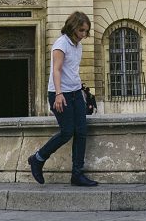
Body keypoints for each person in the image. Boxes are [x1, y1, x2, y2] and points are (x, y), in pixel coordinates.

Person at [27, 11, 98, 187]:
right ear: (73, 27)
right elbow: (56, 70)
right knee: (67, 132)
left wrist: (80, 90)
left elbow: (71, 70)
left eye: (86, 31)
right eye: (81, 30)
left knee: (81, 132)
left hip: (75, 93)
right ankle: (38, 158)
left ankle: (77, 174)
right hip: (60, 94)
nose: (84, 35)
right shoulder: (61, 44)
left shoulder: (77, 46)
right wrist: (58, 94)